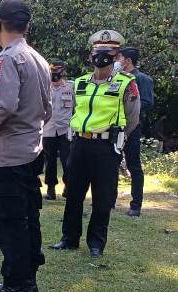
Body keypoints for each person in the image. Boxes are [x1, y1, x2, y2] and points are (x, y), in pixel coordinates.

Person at [0, 0, 50, 292]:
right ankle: (28, 281)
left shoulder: (8, 59)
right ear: (27, 26)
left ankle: (13, 289)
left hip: (10, 152)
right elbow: (47, 109)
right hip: (32, 148)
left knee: (9, 221)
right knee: (29, 217)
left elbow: (4, 106)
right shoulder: (38, 59)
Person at [50, 30, 140, 258]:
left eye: (107, 52)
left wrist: (116, 137)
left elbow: (133, 118)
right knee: (73, 193)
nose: (102, 56)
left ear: (116, 55)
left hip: (106, 147)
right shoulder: (80, 83)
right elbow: (73, 111)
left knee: (102, 196)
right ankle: (69, 238)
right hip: (79, 143)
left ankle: (96, 243)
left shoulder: (126, 83)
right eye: (97, 51)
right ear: (91, 55)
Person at [117, 47, 153, 217]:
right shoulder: (116, 78)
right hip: (115, 127)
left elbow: (147, 102)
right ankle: (108, 200)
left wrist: (129, 107)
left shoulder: (142, 79)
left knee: (134, 166)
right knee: (111, 163)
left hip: (133, 127)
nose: (117, 61)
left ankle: (136, 205)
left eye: (119, 58)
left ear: (128, 61)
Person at [42, 60, 74, 200]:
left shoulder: (71, 87)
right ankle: (50, 188)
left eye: (57, 71)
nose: (54, 74)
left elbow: (77, 107)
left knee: (68, 160)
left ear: (63, 72)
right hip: (48, 129)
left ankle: (68, 186)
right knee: (49, 161)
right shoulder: (44, 86)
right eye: (52, 71)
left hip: (65, 129)